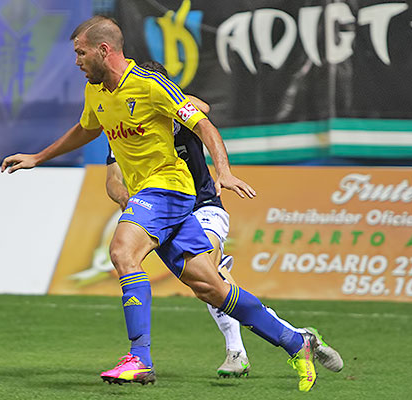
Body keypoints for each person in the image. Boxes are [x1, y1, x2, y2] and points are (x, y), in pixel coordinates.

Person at [1, 15, 334, 392]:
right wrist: (38, 157)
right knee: (210, 286)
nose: (76, 61)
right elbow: (87, 128)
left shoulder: (150, 85)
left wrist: (223, 171)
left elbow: (204, 124)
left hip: (170, 186)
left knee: (123, 251)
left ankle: (139, 358)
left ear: (103, 50)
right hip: (151, 193)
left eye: (80, 53)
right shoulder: (96, 90)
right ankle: (296, 341)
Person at [104, 61, 344, 378]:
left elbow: (202, 109)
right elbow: (112, 180)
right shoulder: (125, 129)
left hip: (204, 205)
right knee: (208, 285)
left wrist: (166, 98)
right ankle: (297, 337)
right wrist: (127, 198)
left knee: (212, 270)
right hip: (163, 211)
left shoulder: (177, 113)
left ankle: (236, 351)